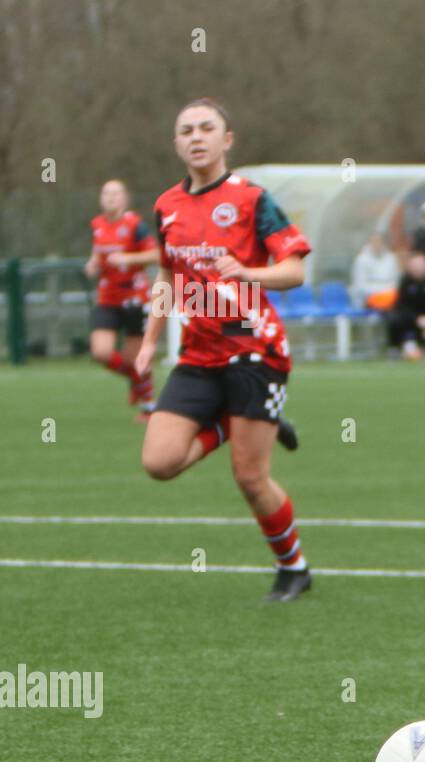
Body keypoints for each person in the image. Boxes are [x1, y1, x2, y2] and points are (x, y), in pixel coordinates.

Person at [134, 98, 312, 602]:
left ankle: (294, 567)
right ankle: (240, 421)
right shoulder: (167, 205)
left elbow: (295, 270)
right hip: (198, 353)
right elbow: (168, 275)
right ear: (176, 143)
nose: (196, 136)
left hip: (254, 348)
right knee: (160, 462)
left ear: (226, 139)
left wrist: (249, 272)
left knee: (251, 479)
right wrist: (149, 341)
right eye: (186, 129)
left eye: (207, 128)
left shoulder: (253, 199)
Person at [85, 179, 160, 420]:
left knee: (135, 357)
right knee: (101, 352)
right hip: (108, 297)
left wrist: (128, 259)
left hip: (134, 298)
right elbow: (98, 253)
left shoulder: (134, 225)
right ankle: (136, 380)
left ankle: (148, 405)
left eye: (116, 193)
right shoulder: (97, 225)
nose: (110, 197)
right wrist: (93, 264)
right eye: (106, 193)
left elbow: (157, 254)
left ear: (125, 199)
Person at [349, 232, 400, 310]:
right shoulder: (361, 260)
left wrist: (388, 291)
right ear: (369, 243)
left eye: (379, 241)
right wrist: (382, 291)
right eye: (374, 241)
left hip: (389, 296)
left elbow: (395, 281)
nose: (377, 245)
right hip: (367, 298)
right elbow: (360, 286)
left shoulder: (391, 258)